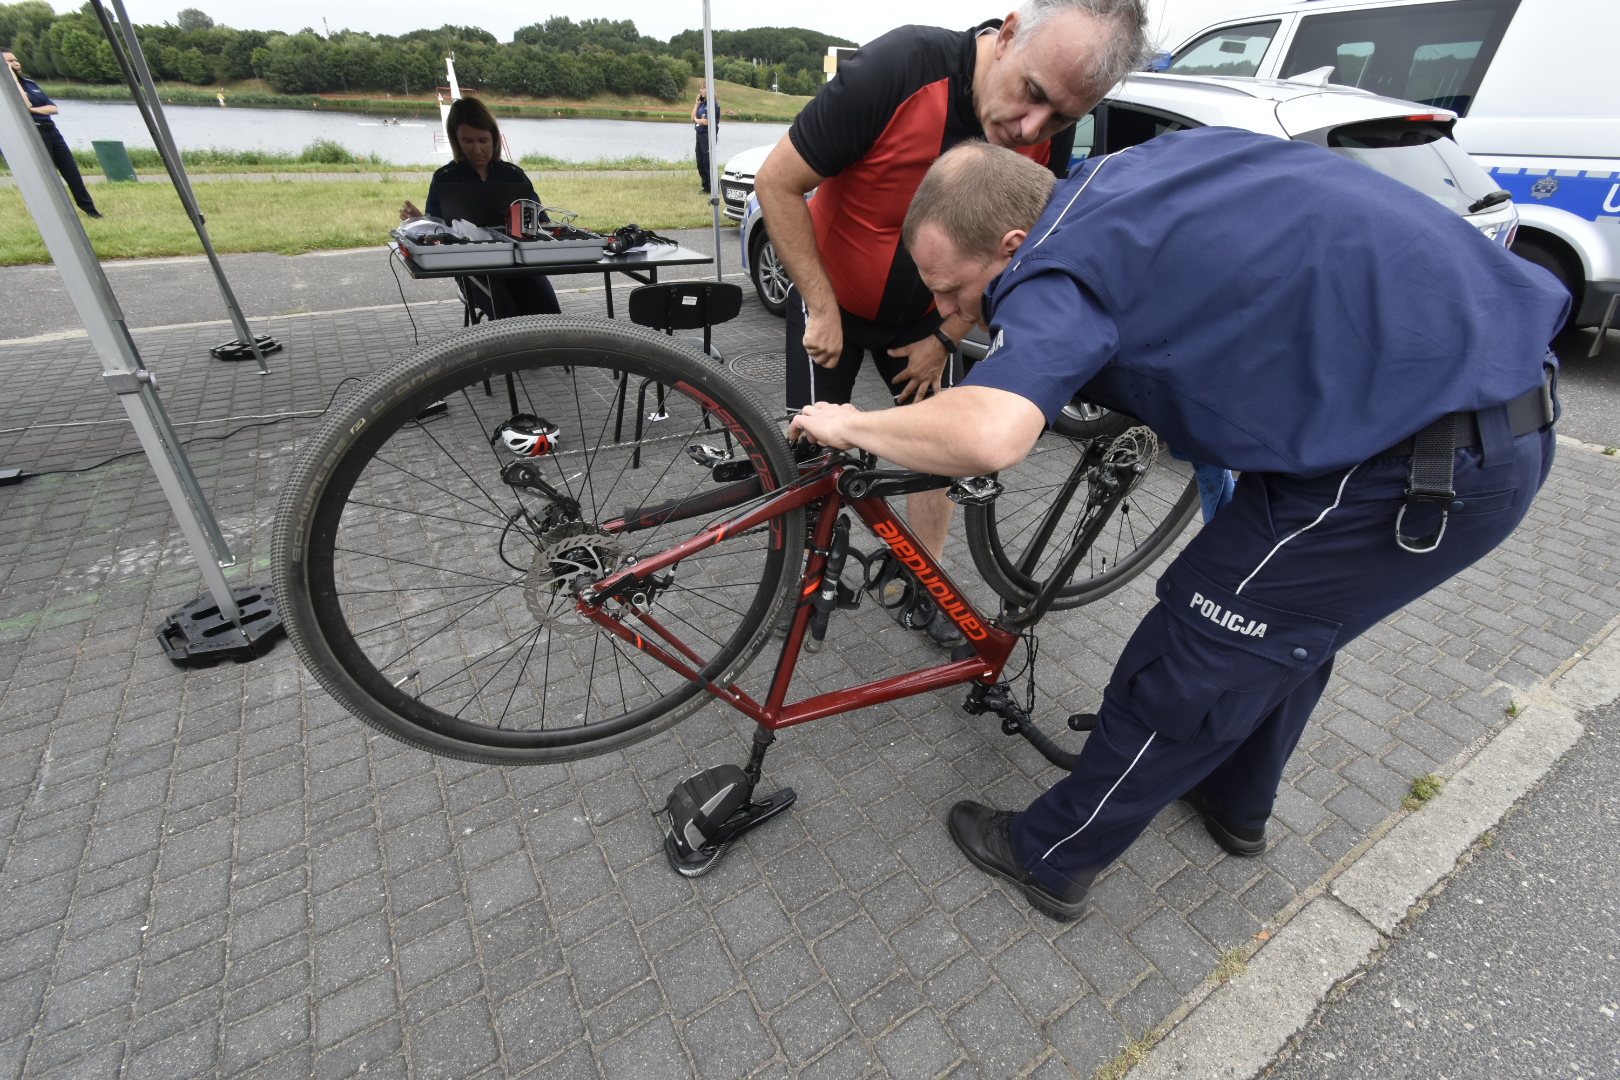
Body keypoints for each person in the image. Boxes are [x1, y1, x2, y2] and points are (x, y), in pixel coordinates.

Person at [790, 136, 1566, 922]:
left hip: (1417, 461)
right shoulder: (1123, 178)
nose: (946, 315)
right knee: (1287, 635)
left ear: (1014, 245)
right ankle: (1234, 800)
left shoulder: (1055, 267)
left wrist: (858, 423)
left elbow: (993, 435)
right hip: (1452, 404)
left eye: (952, 291)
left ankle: (1053, 854)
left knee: (1193, 650)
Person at [754, 0, 1147, 646]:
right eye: (1032, 95)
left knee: (933, 458)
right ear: (1011, 33)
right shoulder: (901, 68)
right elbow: (776, 183)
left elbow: (1017, 250)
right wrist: (819, 305)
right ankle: (802, 573)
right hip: (833, 301)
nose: (1031, 127)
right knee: (811, 447)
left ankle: (918, 580)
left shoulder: (1047, 119)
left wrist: (945, 336)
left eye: (1061, 117)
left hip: (924, 322)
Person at [400, 97, 559, 320]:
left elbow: (541, 221)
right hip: (470, 269)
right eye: (468, 141)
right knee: (508, 315)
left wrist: (545, 227)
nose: (477, 149)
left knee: (549, 314)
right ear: (456, 140)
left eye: (483, 140)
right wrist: (420, 221)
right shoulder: (445, 178)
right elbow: (435, 232)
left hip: (518, 265)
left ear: (494, 138)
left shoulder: (513, 175)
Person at [4, 49, 99, 218]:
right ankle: (55, 214)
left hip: (51, 130)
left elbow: (53, 108)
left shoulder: (30, 83)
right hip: (34, 132)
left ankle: (90, 210)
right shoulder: (6, 89)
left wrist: (33, 109)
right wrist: (12, 79)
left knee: (71, 171)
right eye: (9, 62)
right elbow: (23, 103)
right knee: (47, 174)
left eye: (16, 60)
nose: (16, 64)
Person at [692, 87, 716, 195]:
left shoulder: (713, 105)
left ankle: (713, 187)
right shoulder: (702, 105)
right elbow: (692, 117)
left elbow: (706, 122)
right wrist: (697, 104)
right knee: (700, 161)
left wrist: (697, 120)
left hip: (707, 135)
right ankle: (706, 187)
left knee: (707, 162)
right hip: (699, 134)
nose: (700, 91)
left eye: (702, 89)